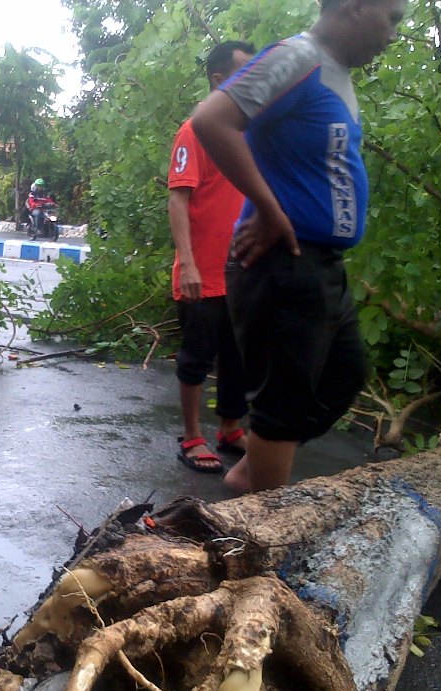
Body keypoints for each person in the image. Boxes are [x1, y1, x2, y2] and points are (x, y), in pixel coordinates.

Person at [191, 0, 405, 493]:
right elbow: (212, 120)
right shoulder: (296, 58)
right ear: (355, 6)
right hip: (283, 265)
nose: (393, 33)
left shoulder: (335, 74)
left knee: (344, 375)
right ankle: (258, 537)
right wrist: (269, 209)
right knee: (282, 408)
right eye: (391, 18)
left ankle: (251, 473)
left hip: (317, 264)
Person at [169, 41, 256, 474]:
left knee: (237, 356)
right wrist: (187, 263)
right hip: (202, 271)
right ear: (221, 81)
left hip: (242, 270)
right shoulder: (195, 131)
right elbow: (178, 198)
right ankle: (191, 435)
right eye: (247, 72)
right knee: (197, 356)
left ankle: (228, 428)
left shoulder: (247, 134)